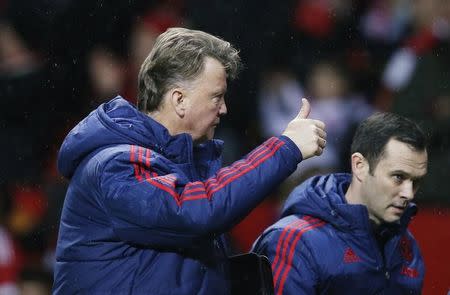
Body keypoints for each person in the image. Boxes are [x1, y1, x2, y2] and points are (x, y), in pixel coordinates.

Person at [53, 27, 327, 294]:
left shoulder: (183, 166)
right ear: (179, 100)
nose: (224, 108)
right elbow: (195, 211)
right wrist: (285, 148)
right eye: (216, 97)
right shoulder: (116, 165)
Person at [252, 112, 427, 294]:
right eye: (398, 177)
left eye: (416, 181)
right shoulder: (294, 241)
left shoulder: (406, 245)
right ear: (359, 165)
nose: (409, 193)